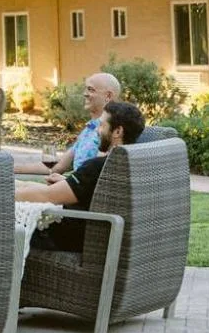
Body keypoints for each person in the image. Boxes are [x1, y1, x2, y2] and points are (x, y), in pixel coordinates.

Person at [15, 100, 146, 251]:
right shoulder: (131, 164)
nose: (97, 131)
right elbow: (94, 192)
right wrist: (68, 182)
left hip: (67, 239)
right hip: (105, 240)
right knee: (23, 188)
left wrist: (2, 197)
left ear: (118, 132)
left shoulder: (97, 166)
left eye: (102, 125)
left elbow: (47, 195)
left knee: (2, 225)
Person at [18, 71, 121, 178]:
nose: (85, 93)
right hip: (72, 183)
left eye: (91, 89)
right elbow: (58, 167)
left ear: (108, 96)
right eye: (86, 89)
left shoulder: (111, 131)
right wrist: (13, 168)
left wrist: (66, 181)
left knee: (18, 185)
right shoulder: (89, 128)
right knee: (14, 182)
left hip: (81, 186)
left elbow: (100, 173)